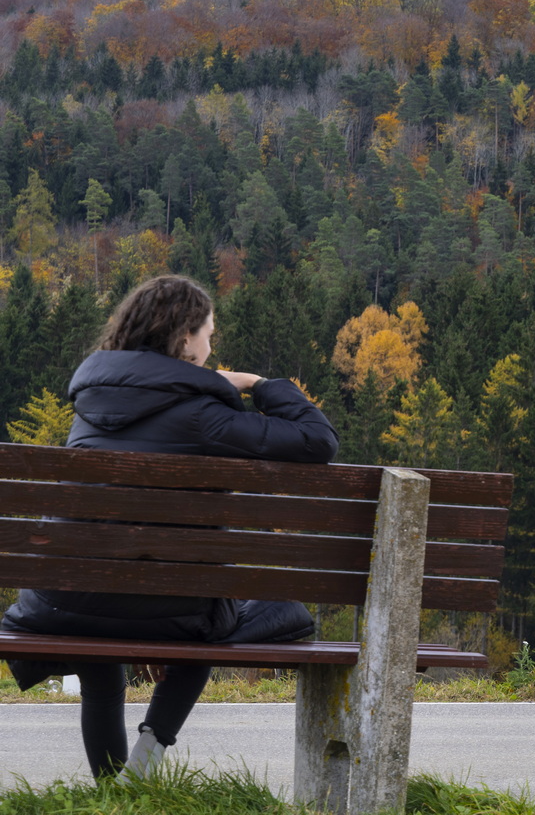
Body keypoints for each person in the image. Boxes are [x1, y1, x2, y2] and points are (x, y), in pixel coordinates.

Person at [2, 274, 339, 779]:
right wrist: (259, 384)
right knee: (266, 612)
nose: (211, 346)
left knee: (109, 634)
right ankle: (142, 769)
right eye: (208, 334)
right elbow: (318, 441)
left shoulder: (90, 409)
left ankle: (112, 794)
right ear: (184, 340)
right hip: (178, 611)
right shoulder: (206, 416)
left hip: (63, 602)